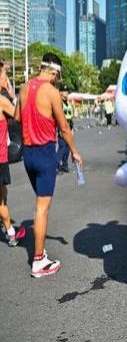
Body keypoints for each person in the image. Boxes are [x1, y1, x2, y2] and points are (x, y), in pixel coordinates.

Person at [14, 53, 83, 277]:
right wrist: (75, 152)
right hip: (44, 153)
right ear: (55, 71)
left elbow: (16, 117)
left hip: (28, 154)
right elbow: (64, 128)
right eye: (57, 76)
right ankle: (38, 261)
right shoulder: (52, 92)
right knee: (42, 208)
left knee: (40, 204)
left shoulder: (24, 87)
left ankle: (40, 253)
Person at [0, 63, 25, 246]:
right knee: (1, 199)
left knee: (3, 191)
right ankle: (11, 233)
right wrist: (13, 95)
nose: (7, 78)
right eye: (4, 75)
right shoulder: (2, 101)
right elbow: (19, 116)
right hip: (0, 157)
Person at [56, 85, 74, 173]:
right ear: (60, 92)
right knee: (62, 147)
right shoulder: (59, 103)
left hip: (69, 128)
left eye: (67, 91)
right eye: (64, 91)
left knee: (67, 147)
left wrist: (72, 129)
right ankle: (55, 165)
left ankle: (64, 165)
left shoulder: (68, 103)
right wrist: (59, 129)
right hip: (62, 128)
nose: (66, 93)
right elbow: (58, 117)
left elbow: (70, 117)